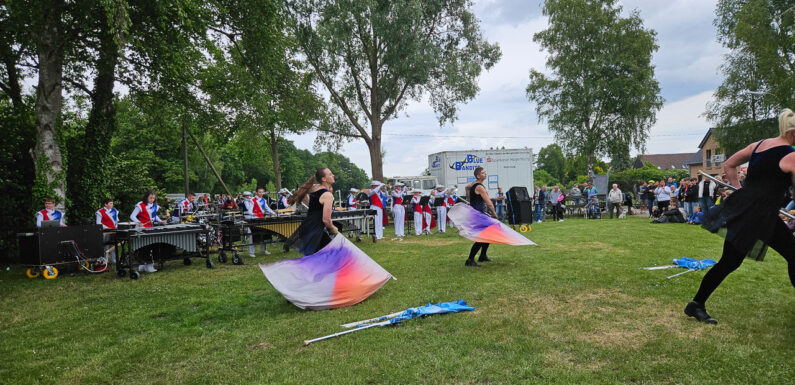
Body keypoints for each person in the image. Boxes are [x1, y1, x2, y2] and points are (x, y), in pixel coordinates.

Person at [685, 108, 795, 324]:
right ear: (792, 132)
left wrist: (739, 189)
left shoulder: (759, 145)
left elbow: (729, 164)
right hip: (759, 215)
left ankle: (696, 304)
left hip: (749, 211)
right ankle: (696, 304)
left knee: (730, 262)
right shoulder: (790, 155)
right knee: (789, 254)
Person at [288, 168, 339, 255]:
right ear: (324, 179)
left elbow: (304, 191)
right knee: (328, 256)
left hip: (308, 226)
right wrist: (333, 229)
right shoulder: (327, 195)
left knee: (318, 257)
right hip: (315, 230)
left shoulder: (314, 188)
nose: (333, 175)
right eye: (330, 174)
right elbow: (326, 220)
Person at [464, 167, 498, 267]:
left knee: (488, 234)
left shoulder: (474, 184)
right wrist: (494, 214)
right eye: (483, 173)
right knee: (481, 237)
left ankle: (482, 256)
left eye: (485, 172)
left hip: (476, 213)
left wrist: (468, 191)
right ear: (478, 176)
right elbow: (489, 202)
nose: (485, 174)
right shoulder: (479, 187)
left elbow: (467, 187)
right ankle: (470, 260)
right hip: (478, 214)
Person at [130, 190, 162, 273]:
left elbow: (154, 216)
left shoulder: (155, 205)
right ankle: (145, 266)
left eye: (153, 198)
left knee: (150, 247)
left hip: (150, 228)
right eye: (150, 198)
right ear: (146, 197)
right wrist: (138, 222)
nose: (152, 200)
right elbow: (132, 216)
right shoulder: (140, 205)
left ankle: (146, 266)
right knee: (144, 248)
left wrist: (161, 221)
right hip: (142, 228)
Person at [95, 198, 118, 264]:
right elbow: (98, 223)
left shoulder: (114, 211)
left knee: (113, 245)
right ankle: (106, 260)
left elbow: (117, 220)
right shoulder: (100, 212)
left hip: (114, 231)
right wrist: (108, 228)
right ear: (105, 204)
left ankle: (114, 260)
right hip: (106, 232)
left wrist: (116, 226)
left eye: (112, 203)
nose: (112, 204)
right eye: (110, 203)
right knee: (106, 246)